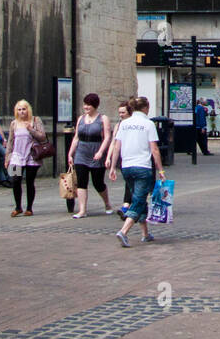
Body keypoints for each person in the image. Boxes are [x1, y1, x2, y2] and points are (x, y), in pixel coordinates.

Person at [108, 96, 166, 247]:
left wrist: (113, 167)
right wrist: (160, 169)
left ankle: (145, 233)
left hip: (126, 166)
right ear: (146, 108)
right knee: (138, 201)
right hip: (142, 167)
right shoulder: (148, 124)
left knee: (138, 198)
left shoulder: (124, 124)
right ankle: (123, 231)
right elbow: (154, 149)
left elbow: (116, 147)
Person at [67, 92, 114, 217]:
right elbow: (76, 137)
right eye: (85, 104)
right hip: (81, 153)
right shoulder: (81, 119)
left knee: (98, 182)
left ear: (95, 105)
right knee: (82, 181)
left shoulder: (103, 118)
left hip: (96, 152)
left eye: (89, 105)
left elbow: (107, 137)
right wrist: (70, 153)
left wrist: (100, 152)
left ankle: (107, 203)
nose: (86, 107)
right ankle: (82, 210)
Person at [5, 99, 46, 217]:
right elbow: (10, 141)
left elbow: (42, 137)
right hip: (17, 156)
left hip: (31, 156)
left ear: (28, 110)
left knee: (29, 181)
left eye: (24, 109)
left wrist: (31, 129)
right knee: (15, 180)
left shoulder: (35, 120)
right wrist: (7, 157)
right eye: (19, 109)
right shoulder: (14, 123)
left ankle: (29, 208)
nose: (22, 112)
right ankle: (18, 207)